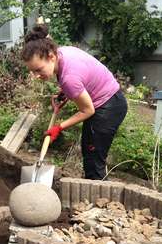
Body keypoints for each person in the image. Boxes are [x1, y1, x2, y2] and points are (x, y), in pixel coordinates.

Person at [22, 24, 127, 181]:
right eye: (32, 71)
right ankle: (95, 190)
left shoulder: (68, 79)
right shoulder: (63, 52)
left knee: (93, 159)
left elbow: (88, 111)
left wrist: (59, 127)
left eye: (38, 69)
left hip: (108, 107)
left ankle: (99, 198)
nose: (36, 75)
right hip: (110, 98)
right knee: (90, 152)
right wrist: (65, 93)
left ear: (51, 56)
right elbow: (83, 75)